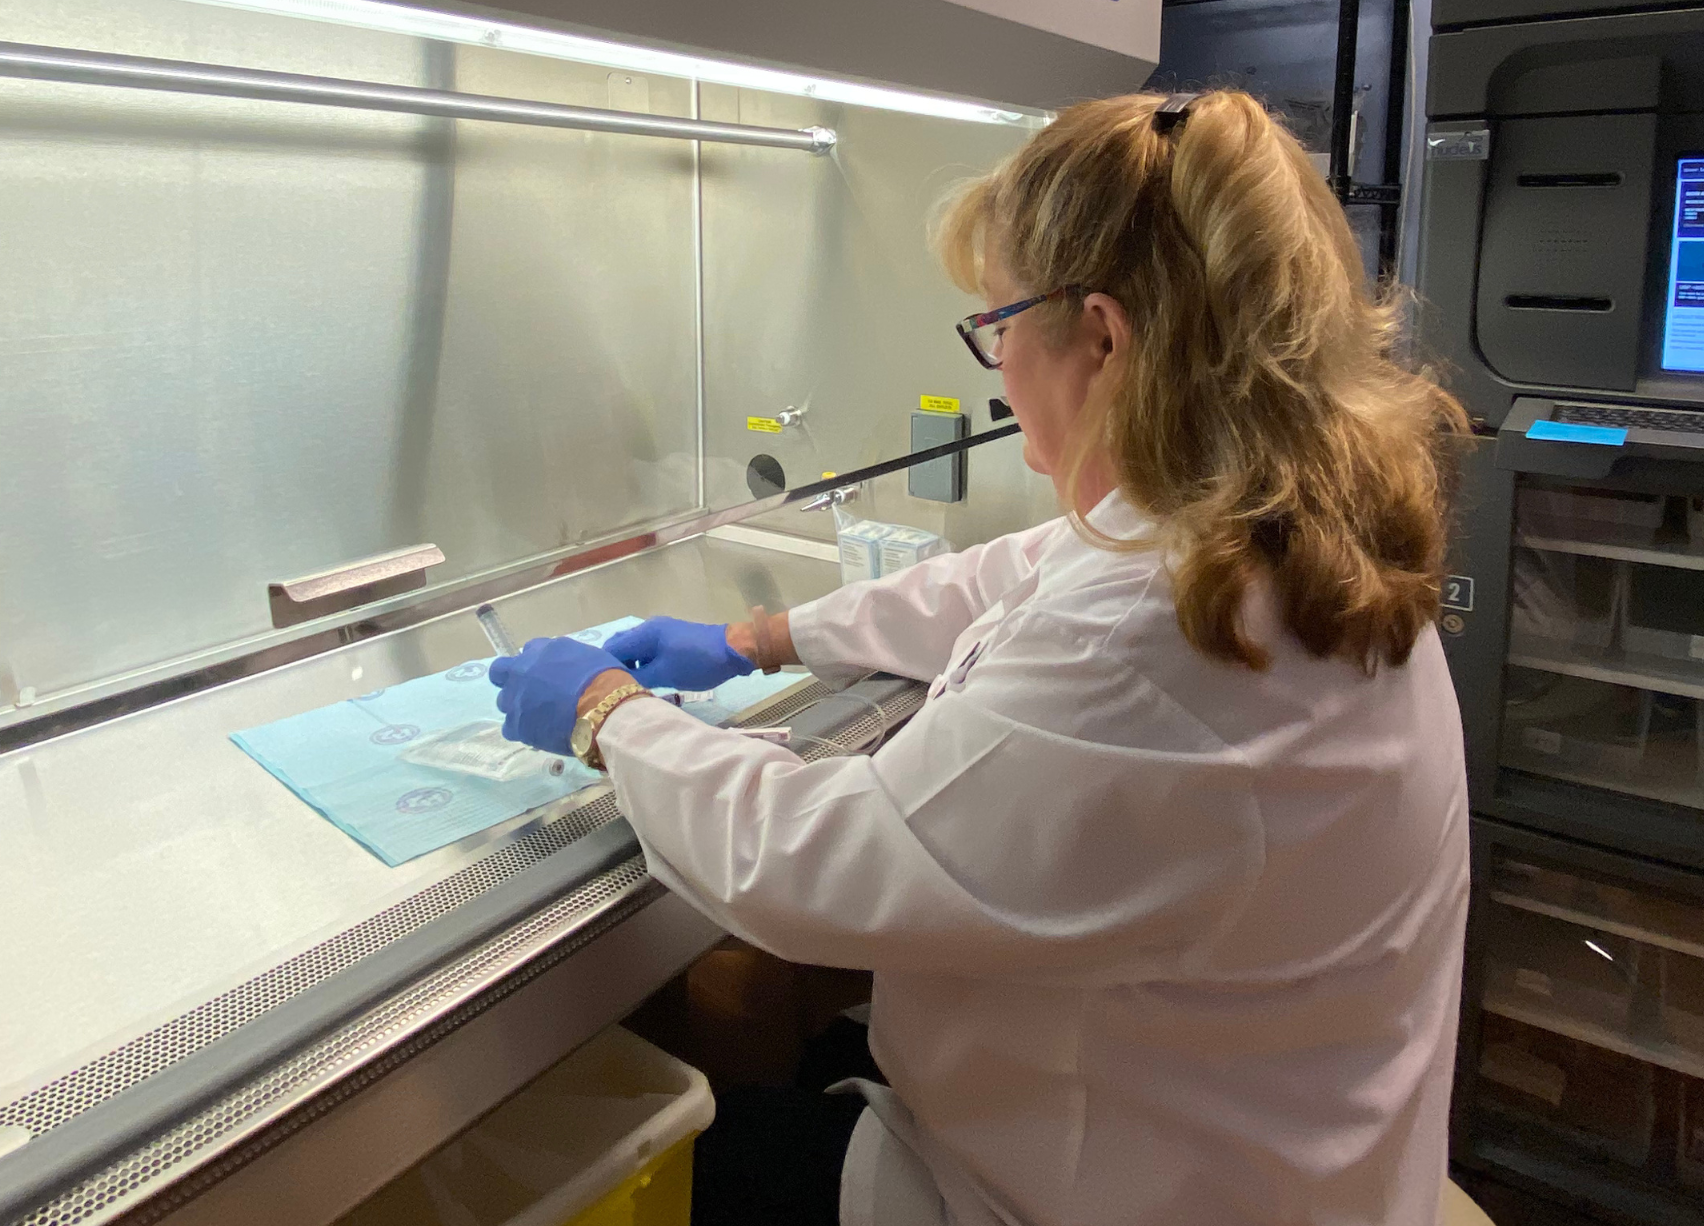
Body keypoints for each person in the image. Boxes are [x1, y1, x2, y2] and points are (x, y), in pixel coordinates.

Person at [490, 89, 1472, 1226]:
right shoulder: (1284, 535)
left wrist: (607, 713)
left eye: (996, 328)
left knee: (699, 1150)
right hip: (1273, 1150)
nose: (994, 369)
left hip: (1099, 1191)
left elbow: (808, 867)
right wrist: (757, 637)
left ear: (1099, 338)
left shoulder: (1148, 644)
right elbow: (1017, 571)